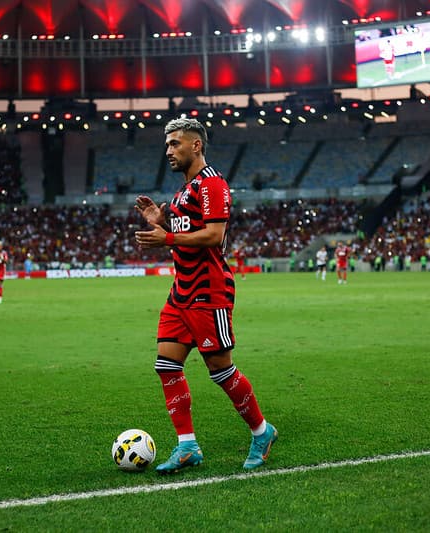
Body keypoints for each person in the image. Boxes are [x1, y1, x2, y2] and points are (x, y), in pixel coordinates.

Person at [134, 117, 277, 474]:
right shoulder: (182, 191)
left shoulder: (212, 184)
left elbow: (213, 236)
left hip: (208, 292)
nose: (169, 151)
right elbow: (187, 231)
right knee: (166, 365)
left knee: (220, 370)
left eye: (175, 144)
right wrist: (161, 222)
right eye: (167, 144)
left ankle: (262, 431)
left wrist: (165, 238)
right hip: (181, 292)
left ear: (196, 145)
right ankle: (187, 447)